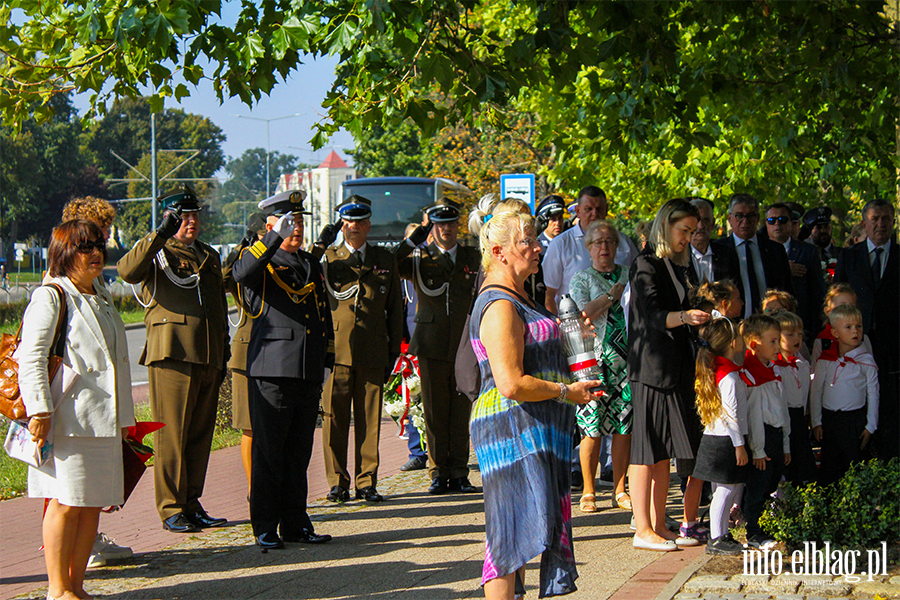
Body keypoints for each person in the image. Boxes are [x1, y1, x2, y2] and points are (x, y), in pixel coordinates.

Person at [468, 199, 600, 599]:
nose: (538, 247)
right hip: (512, 430)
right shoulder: (500, 304)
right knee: (510, 536)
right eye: (527, 241)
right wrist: (566, 391)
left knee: (530, 530)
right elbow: (510, 382)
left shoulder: (520, 295)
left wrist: (573, 338)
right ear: (498, 252)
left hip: (535, 428)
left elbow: (539, 350)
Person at [18, 220, 135, 600]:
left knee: (91, 506)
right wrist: (39, 410)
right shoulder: (52, 296)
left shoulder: (99, 294)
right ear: (65, 254)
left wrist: (124, 421)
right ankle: (57, 589)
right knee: (66, 504)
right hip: (67, 421)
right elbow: (31, 357)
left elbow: (116, 362)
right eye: (85, 248)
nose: (96, 254)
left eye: (99, 245)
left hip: (103, 420)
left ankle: (77, 586)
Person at [117, 185, 229, 533]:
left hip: (207, 352)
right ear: (169, 217)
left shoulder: (208, 254)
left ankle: (192, 502)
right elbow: (127, 270)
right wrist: (161, 232)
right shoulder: (157, 252)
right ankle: (170, 507)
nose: (191, 221)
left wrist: (223, 348)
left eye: (194, 215)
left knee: (199, 433)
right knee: (173, 435)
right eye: (183, 216)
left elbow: (218, 306)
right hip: (173, 352)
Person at [233, 190, 334, 549]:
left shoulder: (309, 263)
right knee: (269, 453)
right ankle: (264, 524)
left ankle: (296, 523)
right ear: (271, 225)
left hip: (306, 369)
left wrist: (326, 358)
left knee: (297, 454)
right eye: (289, 223)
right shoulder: (260, 260)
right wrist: (272, 238)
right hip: (273, 370)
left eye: (300, 222)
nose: (297, 229)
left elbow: (322, 314)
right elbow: (241, 274)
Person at [627, 198, 710, 552]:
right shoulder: (646, 262)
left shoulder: (682, 263)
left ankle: (659, 524)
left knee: (665, 452)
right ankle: (642, 528)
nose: (688, 238)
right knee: (645, 451)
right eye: (683, 231)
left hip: (675, 367)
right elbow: (651, 314)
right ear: (665, 226)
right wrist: (686, 317)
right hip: (650, 368)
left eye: (693, 232)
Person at [59, 196, 132, 568]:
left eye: (103, 235)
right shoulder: (59, 287)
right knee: (66, 493)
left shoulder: (95, 282)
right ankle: (65, 557)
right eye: (96, 234)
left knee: (88, 488)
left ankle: (87, 543)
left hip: (99, 408)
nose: (103, 241)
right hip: (73, 410)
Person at [320, 195, 403, 503]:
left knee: (369, 419)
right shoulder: (328, 258)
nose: (354, 227)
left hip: (372, 349)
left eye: (360, 221)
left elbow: (394, 308)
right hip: (336, 351)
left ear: (369, 225)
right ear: (342, 225)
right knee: (335, 419)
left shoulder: (384, 259)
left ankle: (366, 481)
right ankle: (337, 482)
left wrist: (393, 350)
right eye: (349, 221)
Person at [397, 198, 481, 494]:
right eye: (439, 224)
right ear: (432, 227)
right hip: (431, 342)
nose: (446, 228)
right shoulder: (420, 257)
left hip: (463, 341)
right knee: (434, 410)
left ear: (458, 226)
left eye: (451, 223)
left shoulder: (472, 256)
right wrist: (414, 239)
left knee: (460, 408)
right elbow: (393, 264)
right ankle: (437, 472)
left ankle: (459, 471)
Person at [568, 220, 632, 513]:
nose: (604, 247)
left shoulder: (629, 275)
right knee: (591, 428)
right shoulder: (581, 279)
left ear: (617, 246)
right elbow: (585, 313)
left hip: (626, 362)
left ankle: (619, 487)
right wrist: (611, 296)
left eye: (609, 241)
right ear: (588, 248)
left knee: (624, 426)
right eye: (597, 242)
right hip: (593, 363)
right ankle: (589, 489)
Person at [833, 198, 899, 459]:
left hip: (894, 350)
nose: (880, 224)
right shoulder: (849, 257)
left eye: (886, 219)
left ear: (893, 222)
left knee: (891, 409)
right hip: (855, 347)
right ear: (864, 223)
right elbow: (836, 299)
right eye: (875, 219)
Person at [690, 317, 749, 556]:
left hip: (716, 438)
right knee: (724, 490)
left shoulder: (720, 370)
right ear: (733, 342)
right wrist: (740, 445)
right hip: (726, 440)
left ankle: (722, 534)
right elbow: (731, 416)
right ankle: (716, 538)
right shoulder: (730, 377)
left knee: (724, 490)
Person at [221, 212, 267, 495]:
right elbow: (223, 280)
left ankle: (274, 487)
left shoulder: (284, 257)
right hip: (248, 351)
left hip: (278, 350)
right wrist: (241, 248)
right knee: (249, 427)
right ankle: (255, 490)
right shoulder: (244, 262)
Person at [810, 304, 879, 485]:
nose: (855, 331)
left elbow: (873, 393)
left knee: (855, 467)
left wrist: (870, 425)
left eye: (859, 326)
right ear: (835, 333)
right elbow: (816, 391)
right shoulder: (825, 360)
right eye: (848, 327)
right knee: (830, 467)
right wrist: (816, 421)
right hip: (830, 421)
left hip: (854, 421)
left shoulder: (866, 360)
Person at [543, 185, 638, 314]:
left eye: (599, 209)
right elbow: (549, 294)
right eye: (588, 209)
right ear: (578, 211)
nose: (594, 214)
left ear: (606, 210)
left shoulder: (624, 242)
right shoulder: (561, 244)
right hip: (578, 325)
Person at [740, 314, 790, 550]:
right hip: (762, 439)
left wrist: (786, 444)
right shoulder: (751, 375)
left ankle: (768, 527)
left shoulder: (772, 370)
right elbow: (755, 417)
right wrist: (758, 450)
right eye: (772, 341)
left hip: (777, 435)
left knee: (772, 483)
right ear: (753, 344)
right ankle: (754, 533)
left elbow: (782, 409)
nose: (777, 346)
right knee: (758, 487)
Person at [712, 194, 793, 318]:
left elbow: (787, 290)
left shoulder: (774, 249)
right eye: (739, 216)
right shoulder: (717, 250)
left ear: (757, 219)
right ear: (730, 218)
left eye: (750, 216)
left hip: (771, 322)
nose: (745, 221)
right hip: (733, 324)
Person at [765, 202, 825, 342]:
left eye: (782, 220)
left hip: (799, 328)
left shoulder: (808, 252)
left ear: (791, 223)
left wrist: (814, 333)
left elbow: (817, 295)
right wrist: (783, 269)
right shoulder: (759, 251)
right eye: (771, 220)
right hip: (767, 327)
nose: (777, 224)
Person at [771, 311, 816, 485]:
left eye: (799, 334)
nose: (797, 338)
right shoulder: (775, 369)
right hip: (782, 418)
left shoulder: (802, 365)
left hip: (799, 418)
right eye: (790, 335)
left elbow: (805, 394)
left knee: (802, 464)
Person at [398, 222, 428, 472]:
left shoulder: (429, 270)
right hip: (409, 349)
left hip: (432, 342)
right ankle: (417, 452)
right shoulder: (402, 278)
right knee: (413, 401)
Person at [687, 198, 739, 287]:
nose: (701, 226)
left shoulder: (727, 254)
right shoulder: (678, 257)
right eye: (696, 220)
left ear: (713, 224)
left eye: (705, 220)